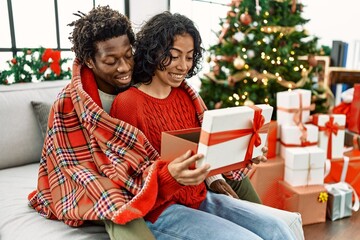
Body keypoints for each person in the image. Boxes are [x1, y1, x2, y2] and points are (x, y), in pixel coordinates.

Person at [110, 11, 303, 240]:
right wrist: (170, 175)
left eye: (189, 57)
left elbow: (207, 152)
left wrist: (243, 153)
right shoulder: (128, 103)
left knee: (278, 229)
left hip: (201, 197)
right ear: (154, 52)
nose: (183, 66)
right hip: (162, 211)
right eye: (174, 56)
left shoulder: (187, 97)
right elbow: (127, 176)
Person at [27, 6, 155, 240]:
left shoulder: (143, 84)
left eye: (128, 55)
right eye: (111, 60)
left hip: (134, 167)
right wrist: (112, 174)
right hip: (92, 173)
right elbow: (67, 161)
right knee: (112, 198)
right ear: (90, 60)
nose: (125, 67)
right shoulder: (68, 102)